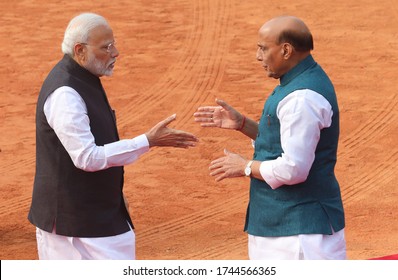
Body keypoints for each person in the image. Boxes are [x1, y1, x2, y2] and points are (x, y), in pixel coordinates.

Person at [28, 12, 198, 260]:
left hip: (91, 217)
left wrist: (115, 196)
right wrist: (148, 141)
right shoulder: (66, 93)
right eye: (106, 47)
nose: (116, 52)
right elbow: (87, 157)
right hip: (73, 227)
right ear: (80, 50)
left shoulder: (84, 78)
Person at [193, 15, 346, 260]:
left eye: (263, 48)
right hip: (285, 228)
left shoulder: (301, 99)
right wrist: (242, 124)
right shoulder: (297, 82)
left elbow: (294, 169)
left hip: (297, 237)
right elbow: (281, 141)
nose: (258, 56)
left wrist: (244, 167)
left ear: (286, 50)